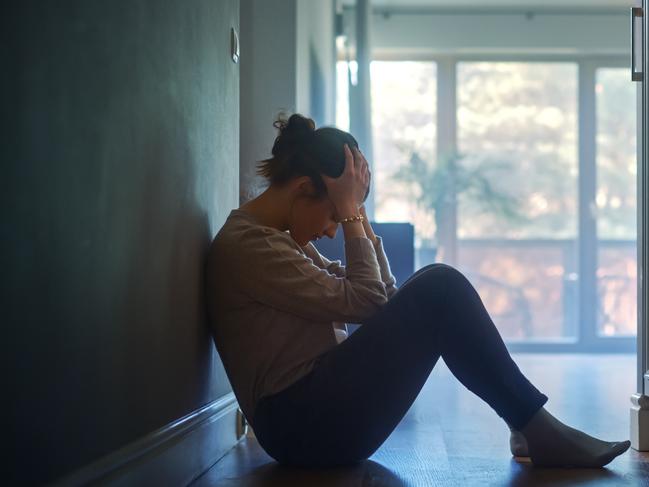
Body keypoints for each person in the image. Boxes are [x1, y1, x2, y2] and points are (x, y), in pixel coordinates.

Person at [205, 113, 631, 469]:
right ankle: (534, 427)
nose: (331, 230)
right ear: (302, 189)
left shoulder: (276, 240)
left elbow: (381, 300)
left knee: (436, 284)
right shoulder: (252, 246)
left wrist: (358, 217)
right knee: (440, 285)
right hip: (302, 428)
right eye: (335, 215)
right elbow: (369, 300)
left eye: (342, 218)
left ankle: (529, 427)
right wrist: (353, 216)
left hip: (315, 415)